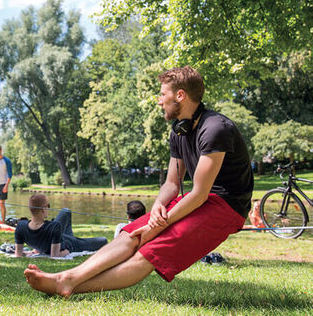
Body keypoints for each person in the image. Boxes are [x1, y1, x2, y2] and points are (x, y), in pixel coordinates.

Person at [23, 66, 254, 297]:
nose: (159, 101)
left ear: (180, 95)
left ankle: (68, 284)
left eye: (163, 95)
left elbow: (200, 193)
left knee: (152, 247)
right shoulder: (179, 132)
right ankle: (67, 278)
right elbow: (172, 184)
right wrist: (157, 209)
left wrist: (159, 226)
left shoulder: (214, 129)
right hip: (198, 199)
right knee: (131, 233)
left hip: (227, 205)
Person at [14, 194, 108, 258]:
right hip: (72, 244)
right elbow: (55, 255)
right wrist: (66, 252)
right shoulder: (54, 226)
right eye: (48, 206)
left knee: (66, 211)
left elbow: (18, 254)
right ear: (43, 209)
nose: (49, 208)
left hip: (57, 238)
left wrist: (31, 251)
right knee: (103, 240)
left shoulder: (21, 226)